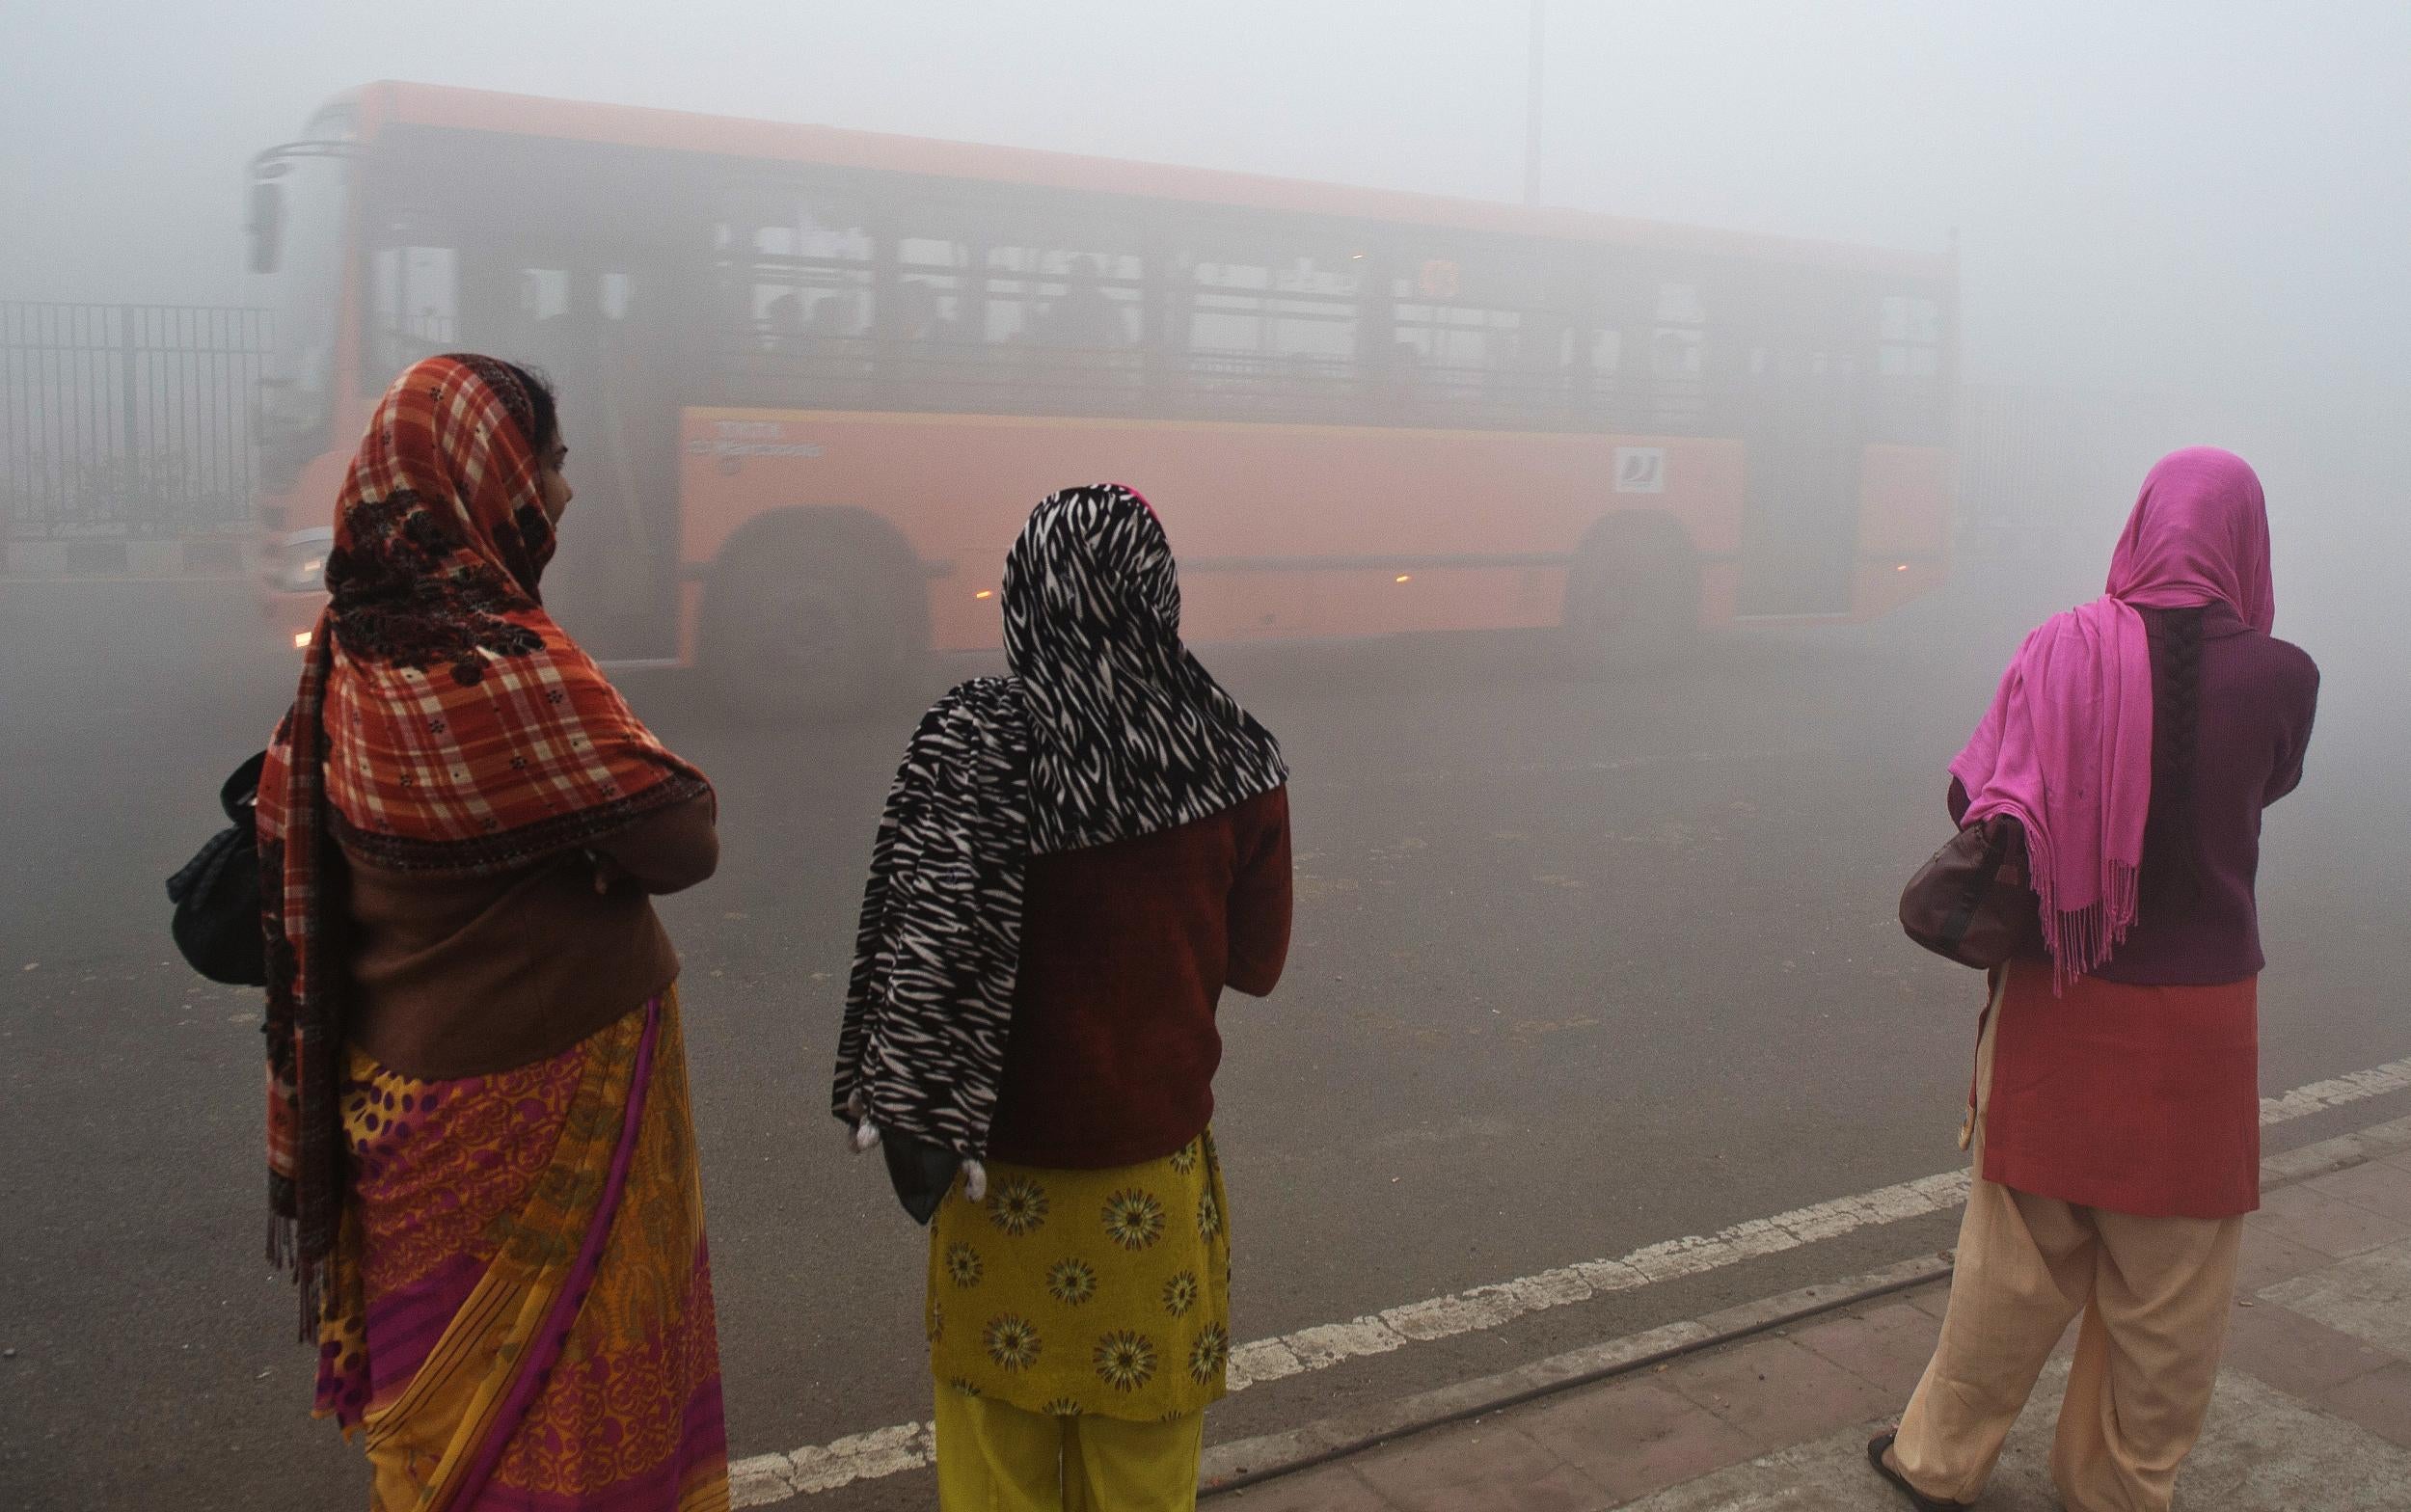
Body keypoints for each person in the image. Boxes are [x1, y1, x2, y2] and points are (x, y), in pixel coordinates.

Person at [256, 354, 730, 1511]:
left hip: (399, 1101)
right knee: (566, 1406)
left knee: (453, 1411)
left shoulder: (349, 653)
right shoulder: (497, 662)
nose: (563, 494)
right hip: (540, 1086)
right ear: (482, 475)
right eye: (549, 464)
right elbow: (683, 836)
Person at [1870, 448, 2319, 1512]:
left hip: (2057, 1000)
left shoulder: (2059, 648)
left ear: (2140, 524)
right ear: (2245, 541)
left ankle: (1936, 1461)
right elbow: (2270, 784)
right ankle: (2118, 1486)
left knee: (2009, 1267)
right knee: (2170, 1294)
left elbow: (1969, 800)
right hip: (2200, 1022)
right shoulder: (2284, 673)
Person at [834, 483, 1293, 1511]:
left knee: (995, 1471)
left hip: (996, 1185)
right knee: (1140, 1475)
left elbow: (913, 946)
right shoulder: (1234, 758)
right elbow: (1256, 964)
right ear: (1157, 590)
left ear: (1029, 594)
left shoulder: (970, 745)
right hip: (1150, 1189)